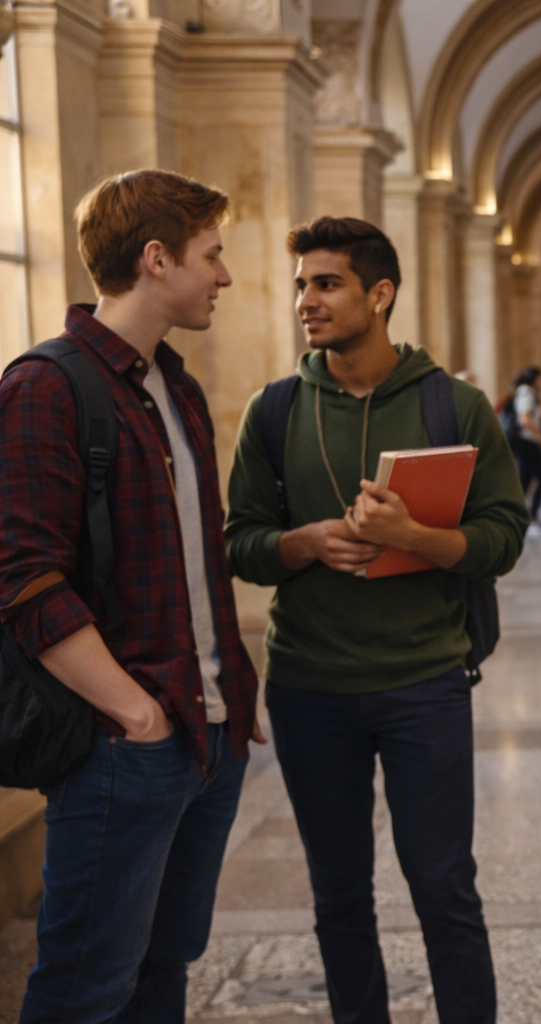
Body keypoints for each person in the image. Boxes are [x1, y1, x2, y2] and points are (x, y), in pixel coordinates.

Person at [224, 216, 528, 1024]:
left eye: (326, 284)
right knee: (338, 894)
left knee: (442, 886)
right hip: (309, 687)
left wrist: (412, 537)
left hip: (424, 679)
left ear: (380, 294)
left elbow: (503, 539)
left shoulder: (453, 406)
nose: (306, 301)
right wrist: (301, 543)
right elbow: (241, 544)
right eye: (300, 285)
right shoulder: (274, 411)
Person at [0, 170, 260, 1020]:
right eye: (211, 255)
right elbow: (25, 578)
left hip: (209, 740)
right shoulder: (46, 386)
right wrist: (136, 714)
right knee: (84, 988)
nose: (224, 276)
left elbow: (194, 563)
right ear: (157, 259)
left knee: (163, 970)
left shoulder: (176, 388)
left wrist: (231, 688)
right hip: (126, 748)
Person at [506, 366, 541, 536]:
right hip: (526, 442)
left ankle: (523, 517)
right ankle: (527, 517)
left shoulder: (530, 393)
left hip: (529, 443)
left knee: (526, 481)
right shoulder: (526, 392)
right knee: (540, 478)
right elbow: (525, 419)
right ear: (535, 378)